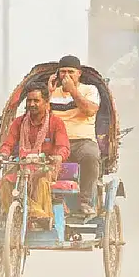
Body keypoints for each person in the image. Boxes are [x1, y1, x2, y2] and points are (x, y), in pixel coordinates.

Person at [0, 81, 70, 219]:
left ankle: (39, 218)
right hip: (22, 167)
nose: (31, 104)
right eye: (29, 101)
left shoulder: (56, 123)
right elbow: (8, 143)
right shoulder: (19, 122)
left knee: (41, 182)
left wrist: (58, 156)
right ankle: (16, 218)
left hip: (46, 167)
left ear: (46, 102)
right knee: (5, 182)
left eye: (36, 101)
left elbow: (63, 147)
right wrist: (4, 153)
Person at [48, 55, 101, 215]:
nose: (66, 76)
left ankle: (85, 201)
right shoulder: (51, 92)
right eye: (62, 72)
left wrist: (72, 90)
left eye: (70, 72)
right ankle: (48, 200)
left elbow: (90, 110)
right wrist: (48, 93)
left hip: (82, 142)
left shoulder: (90, 90)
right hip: (55, 142)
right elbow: (37, 116)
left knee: (91, 156)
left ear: (79, 73)